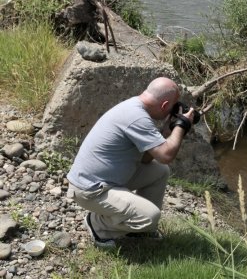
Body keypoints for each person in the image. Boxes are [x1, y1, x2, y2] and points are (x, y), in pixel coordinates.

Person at [66, 77, 194, 248]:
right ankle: (98, 225)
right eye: (172, 107)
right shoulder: (136, 117)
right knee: (150, 216)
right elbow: (166, 155)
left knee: (159, 171)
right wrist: (182, 125)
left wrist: (165, 132)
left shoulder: (134, 108)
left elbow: (148, 160)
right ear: (164, 106)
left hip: (107, 180)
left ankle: (138, 230)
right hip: (91, 190)